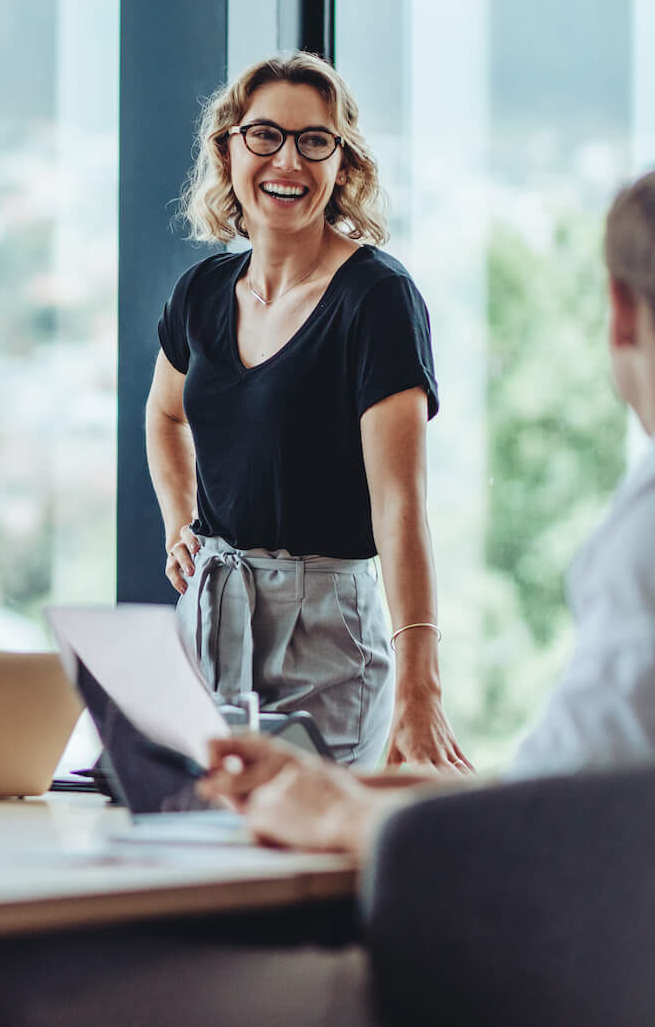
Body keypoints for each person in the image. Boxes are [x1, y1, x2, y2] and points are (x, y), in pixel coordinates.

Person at [0, 149, 655, 1027]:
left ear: (620, 313)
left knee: (29, 986)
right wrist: (343, 783)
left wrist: (336, 810)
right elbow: (602, 785)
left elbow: (542, 839)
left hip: (571, 990)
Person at [150, 52, 465, 770]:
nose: (286, 159)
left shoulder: (376, 299)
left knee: (306, 864)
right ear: (229, 149)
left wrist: (422, 685)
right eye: (265, 135)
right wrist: (179, 522)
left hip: (325, 631)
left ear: (342, 163)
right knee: (197, 849)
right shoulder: (201, 292)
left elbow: (400, 505)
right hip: (208, 615)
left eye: (313, 140)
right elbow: (165, 415)